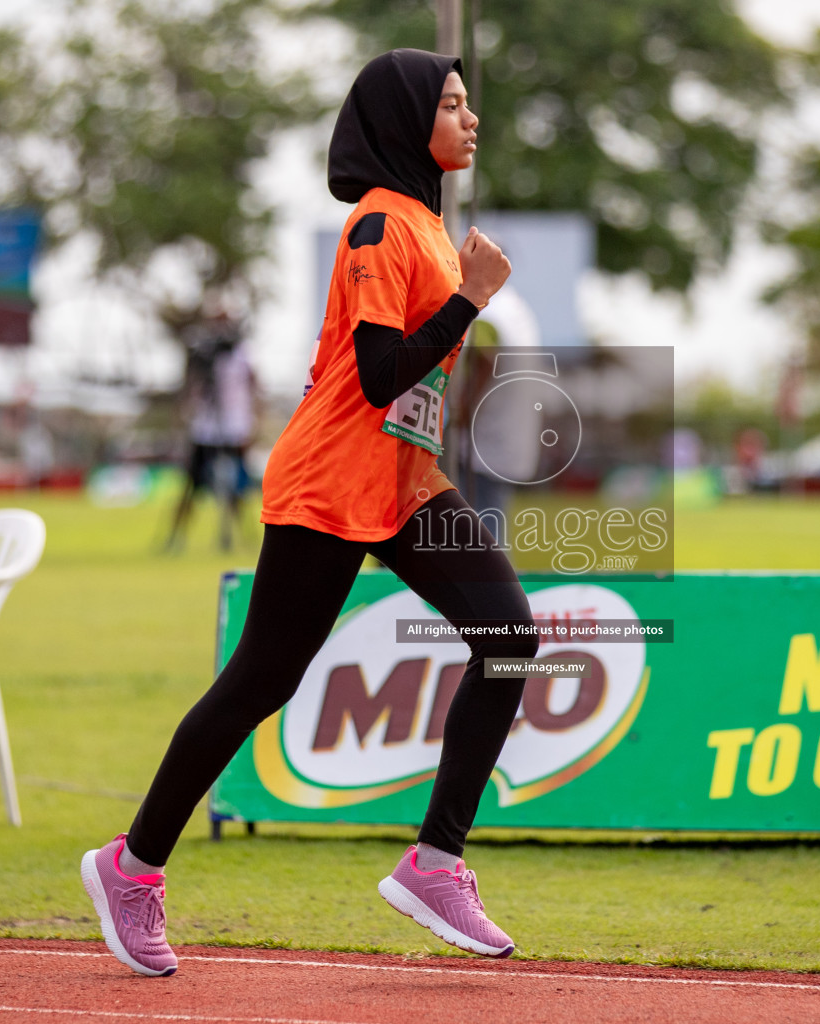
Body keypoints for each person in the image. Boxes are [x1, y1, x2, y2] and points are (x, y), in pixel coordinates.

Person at [80, 49, 532, 977]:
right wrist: (469, 301)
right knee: (261, 683)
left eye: (466, 103)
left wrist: (458, 298)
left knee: (510, 635)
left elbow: (380, 372)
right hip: (330, 483)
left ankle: (435, 863)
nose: (469, 118)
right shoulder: (376, 225)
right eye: (451, 106)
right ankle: (130, 869)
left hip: (407, 485)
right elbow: (376, 375)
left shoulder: (430, 228)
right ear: (409, 124)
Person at [164, 315, 259, 552]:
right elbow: (191, 386)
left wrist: (252, 422)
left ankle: (239, 537)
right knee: (190, 487)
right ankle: (176, 538)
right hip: (206, 430)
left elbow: (253, 386)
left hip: (233, 429)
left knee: (237, 487)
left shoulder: (240, 355)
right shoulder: (203, 355)